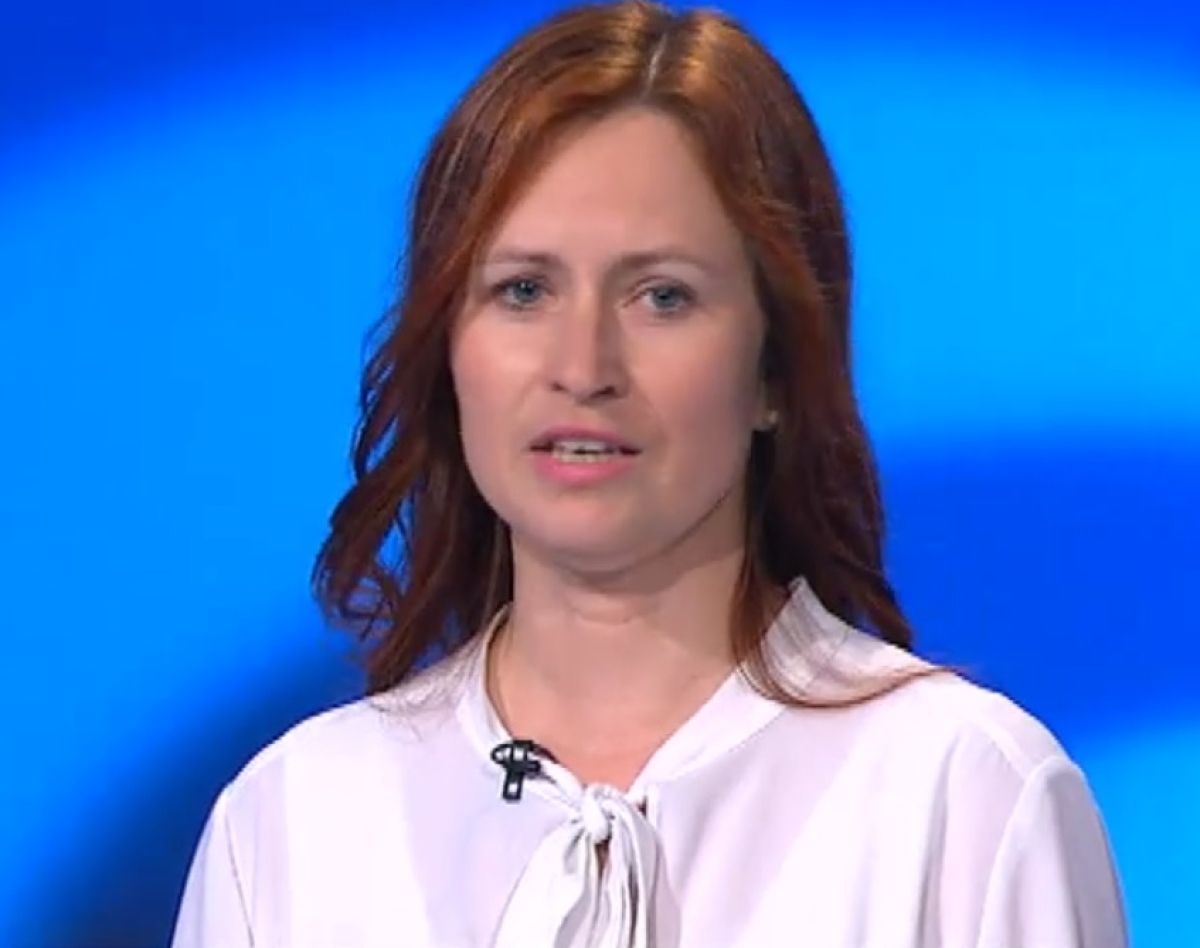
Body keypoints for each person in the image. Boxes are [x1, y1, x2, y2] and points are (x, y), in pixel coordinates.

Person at [171, 1, 1128, 945]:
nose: (582, 366)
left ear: (776, 369)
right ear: (448, 348)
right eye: (523, 290)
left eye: (662, 296)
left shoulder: (964, 798)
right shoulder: (293, 825)